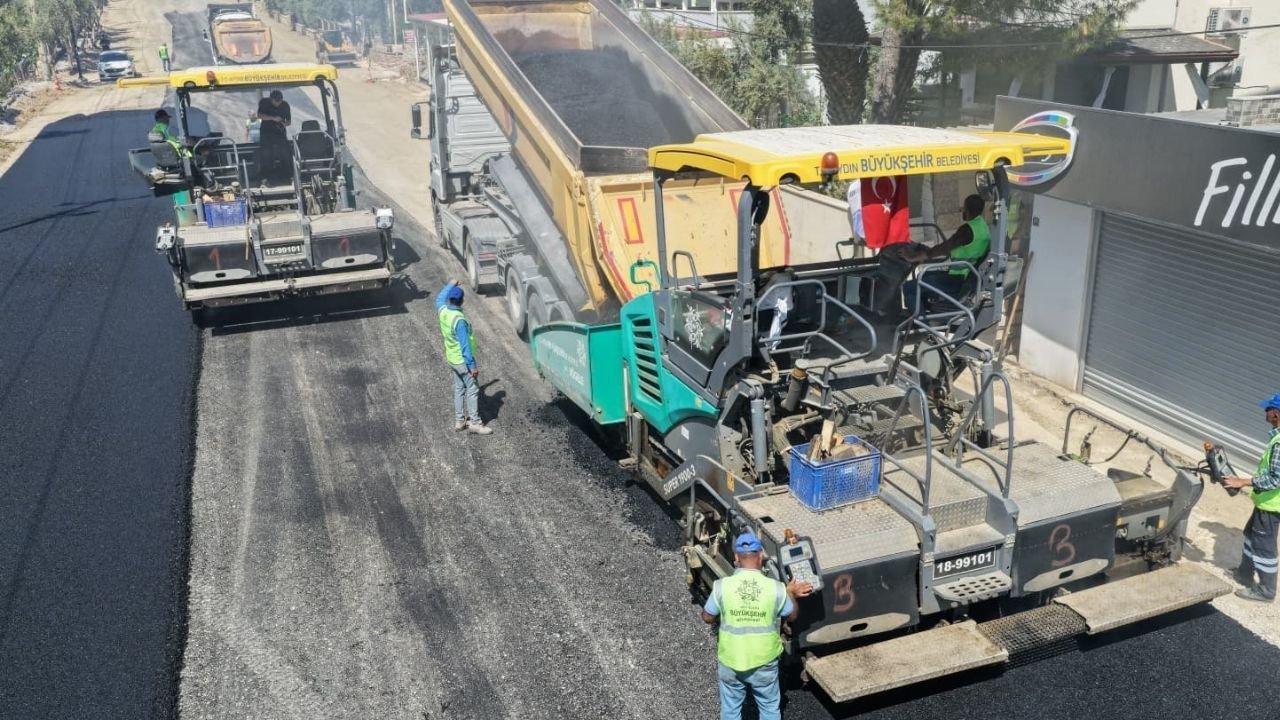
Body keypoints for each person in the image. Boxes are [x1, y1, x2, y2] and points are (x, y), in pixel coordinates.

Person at [702, 531, 812, 720]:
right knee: (769, 708)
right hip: (764, 661)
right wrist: (791, 594)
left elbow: (707, 617)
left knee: (730, 710)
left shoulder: (722, 586)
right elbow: (791, 616)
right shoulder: (775, 588)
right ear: (761, 555)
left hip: (731, 659)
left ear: (736, 558)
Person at [1222, 393, 1280, 603]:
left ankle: (1266, 591)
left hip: (1272, 505)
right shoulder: (1276, 437)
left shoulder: (1279, 443)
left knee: (1265, 546)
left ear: (1276, 413)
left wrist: (1243, 482)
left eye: (1268, 409)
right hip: (1265, 501)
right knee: (1250, 535)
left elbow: (1276, 479)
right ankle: (1244, 574)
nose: (1265, 412)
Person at [903, 194, 991, 314]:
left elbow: (945, 248)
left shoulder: (967, 230)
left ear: (967, 209)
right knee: (923, 276)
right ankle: (928, 316)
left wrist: (915, 257)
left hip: (958, 278)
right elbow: (952, 248)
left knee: (909, 287)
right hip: (968, 276)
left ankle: (920, 326)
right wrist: (927, 252)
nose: (962, 211)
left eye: (963, 208)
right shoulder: (983, 227)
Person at [437, 280, 492, 435]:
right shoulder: (459, 320)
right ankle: (475, 422)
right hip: (462, 361)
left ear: (449, 299)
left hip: (452, 359)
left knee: (459, 389)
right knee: (473, 389)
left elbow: (439, 298)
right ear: (462, 300)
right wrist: (472, 366)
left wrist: (450, 284)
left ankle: (460, 421)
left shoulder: (443, 311)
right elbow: (466, 347)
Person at [253, 90, 292, 185]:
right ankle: (265, 178)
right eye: (276, 101)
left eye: (280, 101)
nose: (278, 103)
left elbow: (289, 121)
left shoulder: (285, 105)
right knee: (266, 155)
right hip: (266, 134)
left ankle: (288, 177)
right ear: (271, 99)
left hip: (280, 134)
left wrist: (284, 123)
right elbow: (259, 115)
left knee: (285, 154)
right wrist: (273, 118)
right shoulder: (264, 103)